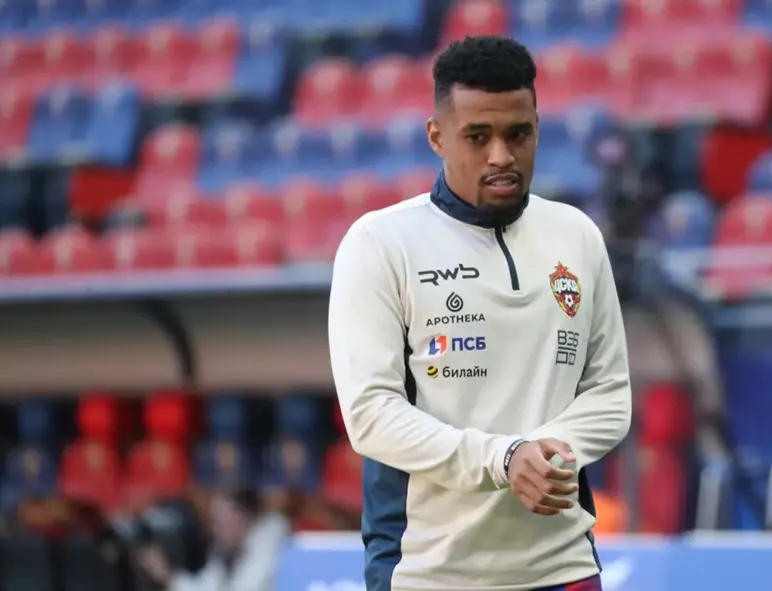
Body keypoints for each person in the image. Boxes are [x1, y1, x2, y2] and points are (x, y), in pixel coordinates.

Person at [328, 35, 632, 591]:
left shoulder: (577, 235)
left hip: (563, 568)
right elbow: (370, 414)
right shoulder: (380, 243)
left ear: (537, 128)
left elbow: (610, 394)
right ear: (437, 137)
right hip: (429, 573)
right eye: (478, 136)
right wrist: (505, 458)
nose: (501, 156)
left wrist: (545, 455)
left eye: (518, 134)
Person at [135, 489, 289, 591]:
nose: (215, 530)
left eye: (220, 522)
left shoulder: (269, 544)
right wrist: (167, 576)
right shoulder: (224, 551)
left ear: (243, 517)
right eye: (214, 522)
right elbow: (206, 587)